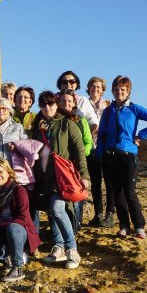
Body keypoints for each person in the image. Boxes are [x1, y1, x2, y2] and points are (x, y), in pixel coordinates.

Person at [96, 76, 147, 239]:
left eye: (123, 90)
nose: (119, 92)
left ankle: (139, 226)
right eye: (117, 89)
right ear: (112, 91)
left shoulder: (134, 109)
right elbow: (102, 134)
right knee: (117, 192)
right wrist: (100, 155)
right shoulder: (108, 111)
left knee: (130, 192)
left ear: (128, 92)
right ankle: (124, 225)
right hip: (110, 156)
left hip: (128, 155)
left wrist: (141, 135)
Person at [32, 91, 88, 270]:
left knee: (57, 209)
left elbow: (79, 150)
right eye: (43, 105)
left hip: (62, 178)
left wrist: (84, 175)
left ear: (56, 105)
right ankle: (59, 246)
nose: (47, 107)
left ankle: (72, 249)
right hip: (44, 178)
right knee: (51, 211)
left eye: (50, 104)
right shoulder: (38, 126)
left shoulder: (67, 124)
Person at [0, 158, 40, 282]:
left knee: (12, 228)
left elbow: (22, 219)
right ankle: (9, 255)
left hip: (19, 232)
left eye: (1, 172)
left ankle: (18, 266)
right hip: (0, 234)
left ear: (8, 172)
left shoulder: (19, 191)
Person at [59, 89, 93, 231]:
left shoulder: (80, 119)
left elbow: (88, 141)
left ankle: (75, 226)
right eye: (63, 101)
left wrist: (77, 155)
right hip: (61, 165)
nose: (66, 103)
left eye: (69, 101)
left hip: (76, 163)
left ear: (74, 103)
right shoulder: (55, 119)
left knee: (77, 198)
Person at [85, 77, 113, 227]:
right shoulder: (83, 103)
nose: (96, 89)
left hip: (106, 147)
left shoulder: (108, 105)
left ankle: (110, 214)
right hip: (91, 148)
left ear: (103, 90)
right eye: (93, 86)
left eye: (99, 87)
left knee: (109, 182)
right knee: (95, 182)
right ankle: (98, 213)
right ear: (88, 88)